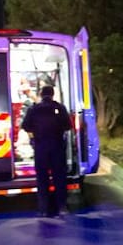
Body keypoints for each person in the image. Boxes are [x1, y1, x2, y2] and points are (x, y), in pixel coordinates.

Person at [21, 84, 73, 217]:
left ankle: (43, 209)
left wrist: (36, 133)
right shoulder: (60, 108)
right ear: (52, 94)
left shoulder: (34, 109)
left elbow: (25, 126)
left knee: (42, 179)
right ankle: (62, 207)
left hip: (41, 148)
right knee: (59, 178)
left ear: (41, 94)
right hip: (57, 147)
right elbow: (68, 126)